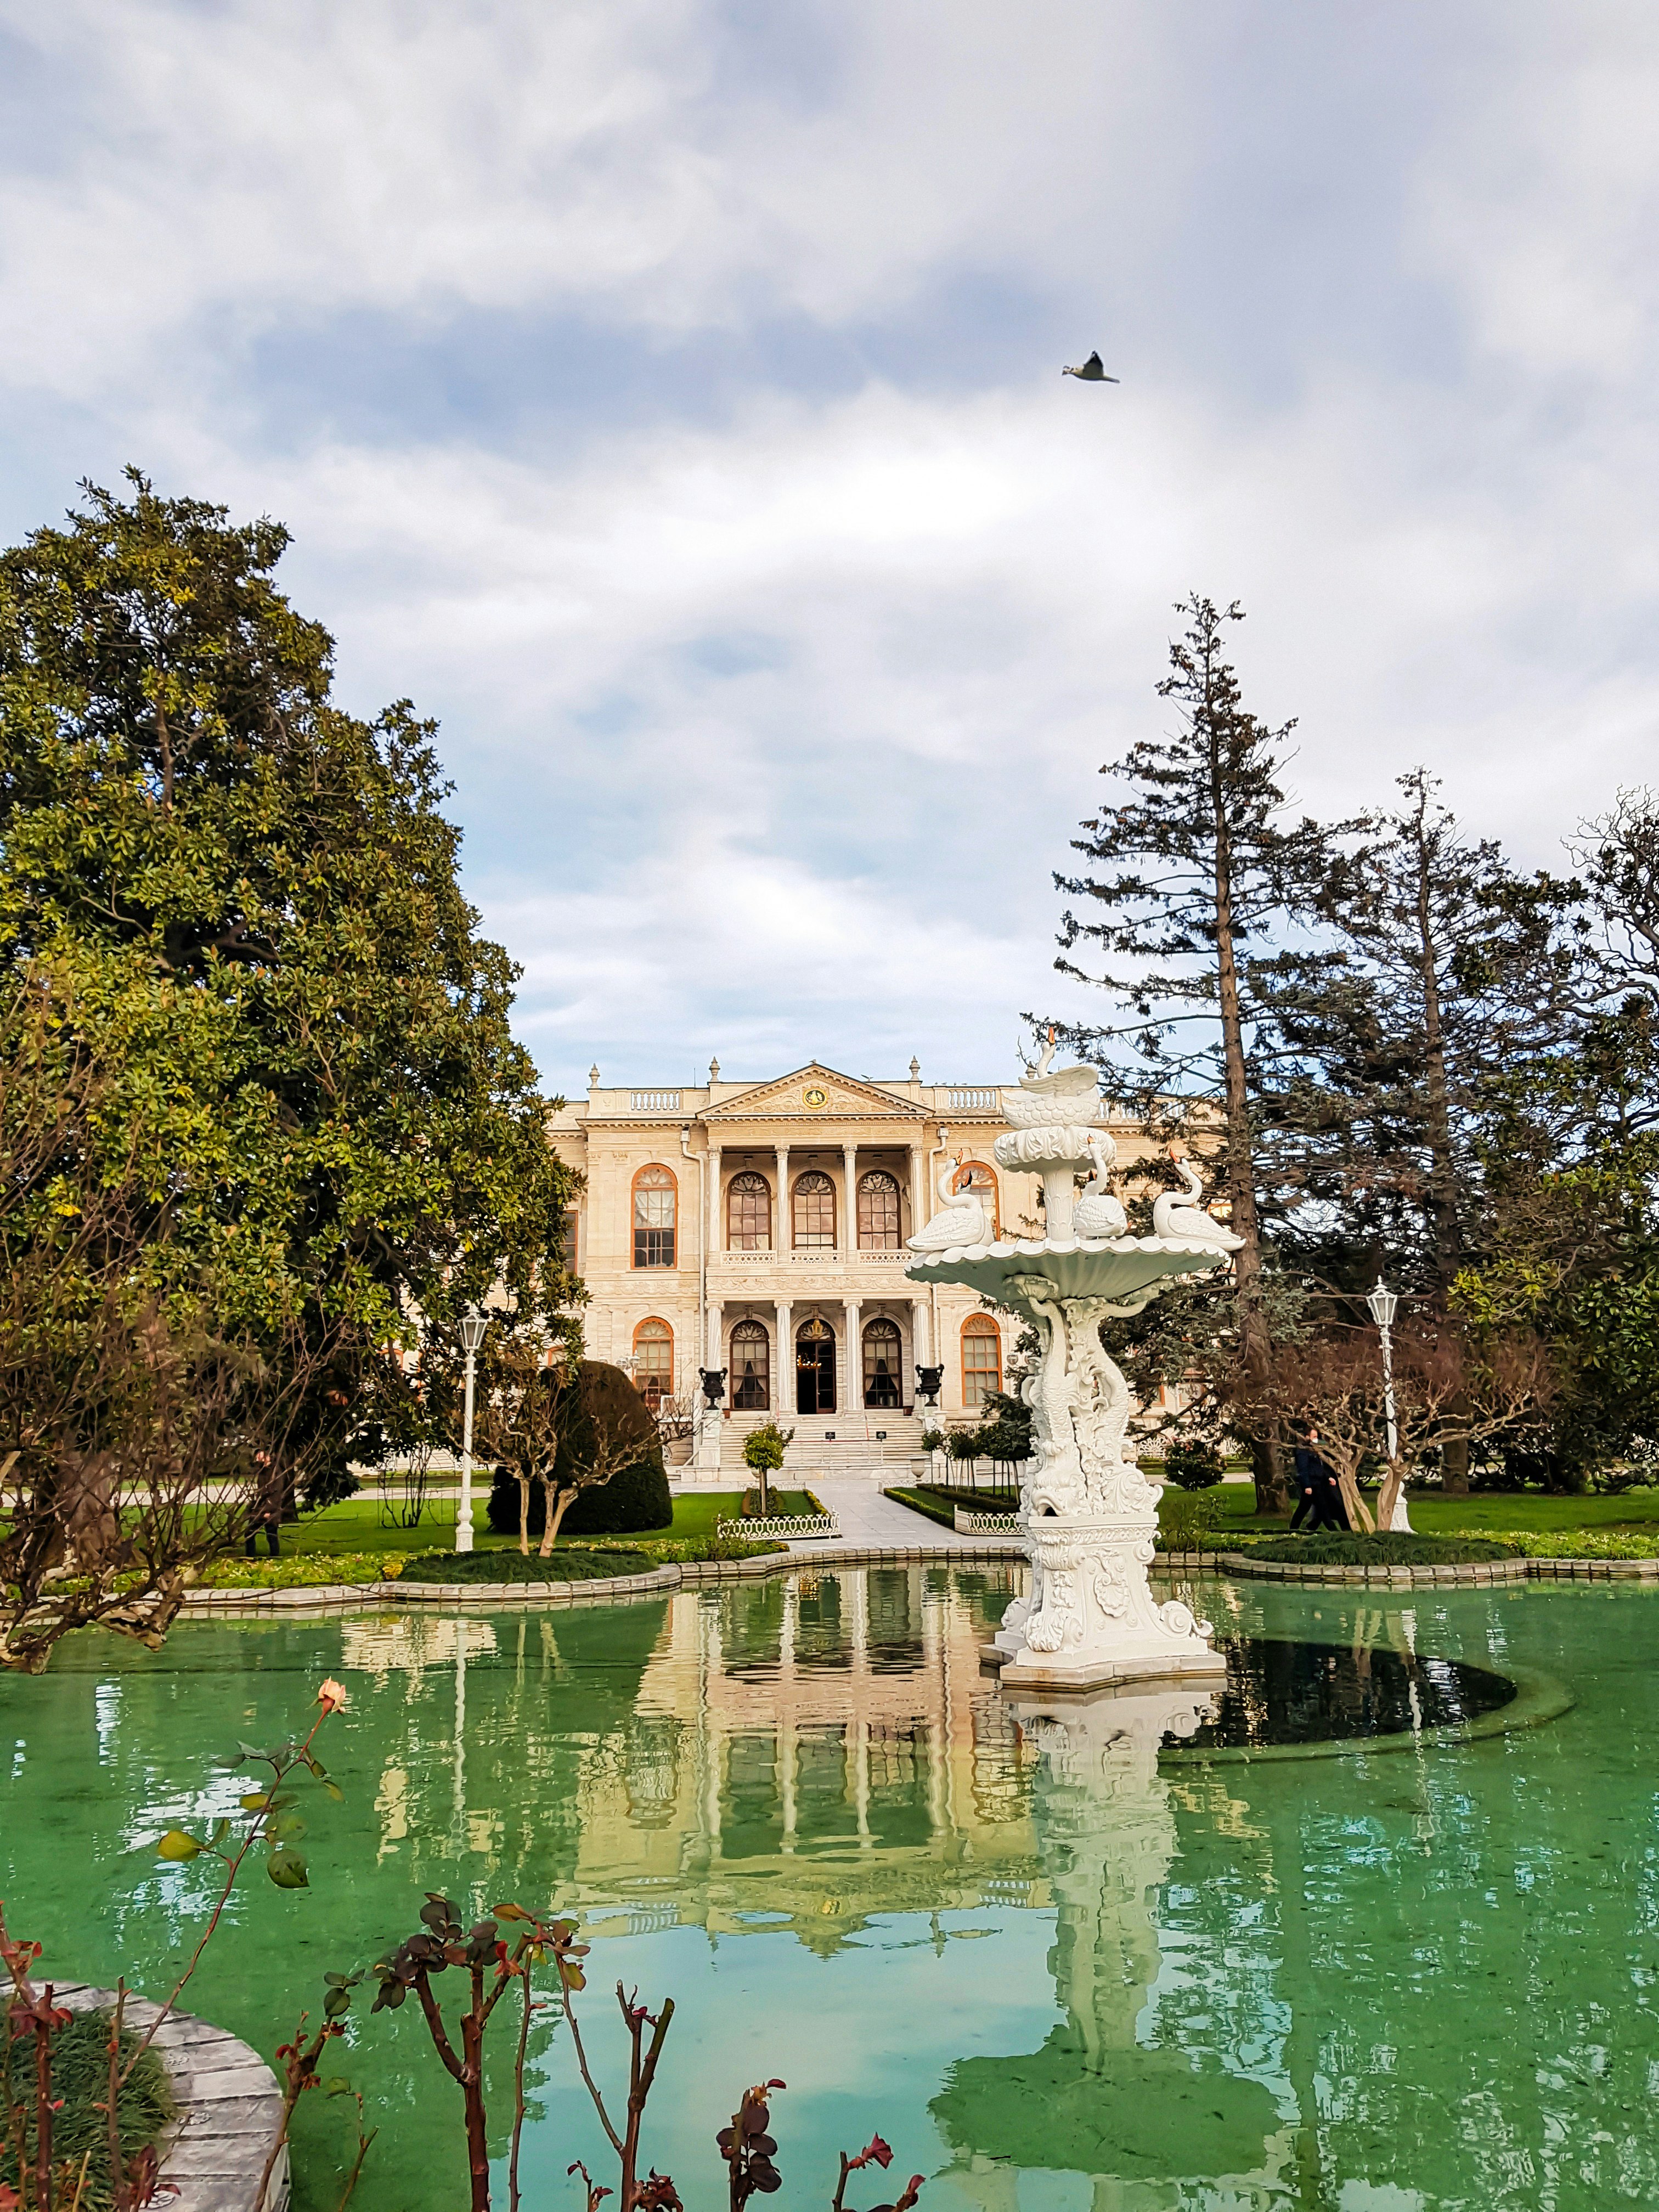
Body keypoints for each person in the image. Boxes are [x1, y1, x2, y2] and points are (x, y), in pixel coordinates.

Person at [1290, 1426, 1348, 1532]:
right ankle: (1334, 1532)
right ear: (1307, 1437)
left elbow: (1319, 1468)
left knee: (1304, 1508)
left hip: (1317, 1483)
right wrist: (1307, 1486)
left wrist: (1328, 1477)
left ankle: (1294, 1529)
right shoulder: (1303, 1451)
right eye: (1314, 1437)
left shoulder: (1313, 1449)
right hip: (1312, 1485)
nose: (1316, 1439)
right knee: (1322, 1508)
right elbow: (1303, 1470)